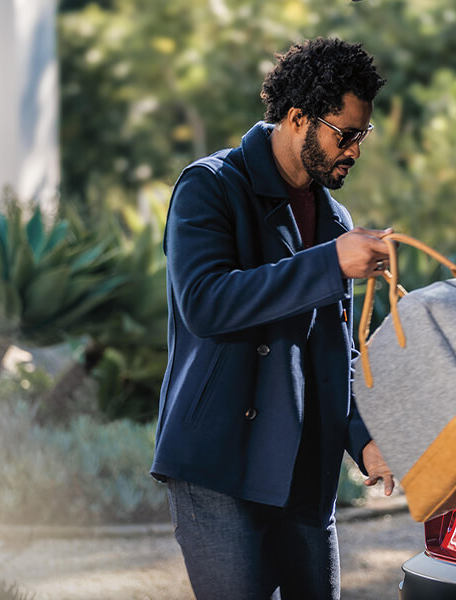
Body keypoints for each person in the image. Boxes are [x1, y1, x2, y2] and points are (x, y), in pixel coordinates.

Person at [151, 38, 395, 599]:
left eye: (363, 135)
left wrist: (363, 439)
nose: (355, 150)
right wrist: (330, 263)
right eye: (346, 133)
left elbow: (338, 352)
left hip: (304, 474)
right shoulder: (210, 186)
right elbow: (206, 303)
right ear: (296, 118)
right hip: (221, 468)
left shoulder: (335, 218)